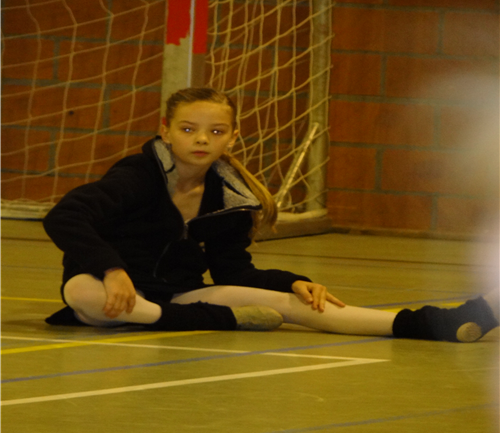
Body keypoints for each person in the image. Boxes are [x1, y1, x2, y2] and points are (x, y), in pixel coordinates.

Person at [43, 88, 499, 342]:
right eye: (188, 129)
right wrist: (113, 269)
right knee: (83, 292)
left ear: (232, 137)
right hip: (112, 293)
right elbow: (65, 217)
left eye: (215, 131)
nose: (201, 140)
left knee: (298, 304)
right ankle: (218, 319)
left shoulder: (230, 196)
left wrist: (292, 282)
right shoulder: (137, 176)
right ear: (165, 131)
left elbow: (232, 270)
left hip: (179, 296)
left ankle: (437, 323)